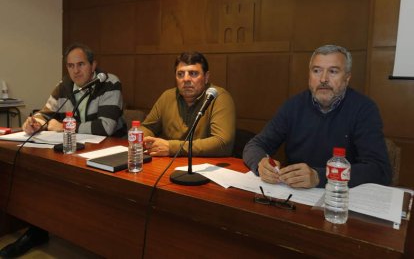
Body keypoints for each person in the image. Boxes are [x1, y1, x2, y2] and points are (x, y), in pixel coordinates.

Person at [0, 43, 127, 258]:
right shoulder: (65, 86)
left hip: (109, 150)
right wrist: (34, 122)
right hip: (75, 148)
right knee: (42, 177)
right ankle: (38, 229)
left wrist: (66, 126)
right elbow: (46, 114)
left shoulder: (109, 83)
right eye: (70, 66)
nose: (75, 71)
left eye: (81, 65)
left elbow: (106, 127)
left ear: (93, 65)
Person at [243, 44, 392, 189]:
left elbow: (379, 170)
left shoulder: (364, 109)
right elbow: (254, 146)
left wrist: (319, 176)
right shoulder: (293, 106)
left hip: (341, 198)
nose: (323, 79)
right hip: (295, 194)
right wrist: (260, 163)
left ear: (347, 78)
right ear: (309, 76)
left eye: (333, 71)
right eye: (316, 71)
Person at [140, 51, 236, 157]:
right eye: (180, 74)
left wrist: (172, 147)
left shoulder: (219, 97)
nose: (186, 79)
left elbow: (222, 143)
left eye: (193, 73)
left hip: (205, 166)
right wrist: (143, 138)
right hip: (168, 163)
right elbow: (147, 127)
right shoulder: (167, 96)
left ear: (206, 77)